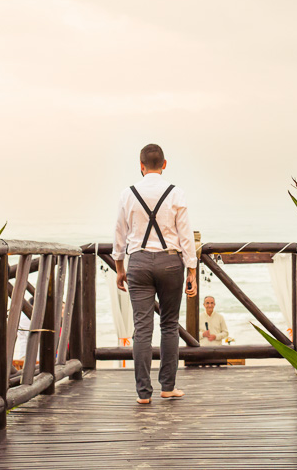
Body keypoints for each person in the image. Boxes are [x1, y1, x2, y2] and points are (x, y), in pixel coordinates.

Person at [113, 144, 198, 404]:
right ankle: (168, 387)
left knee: (142, 329)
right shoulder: (176, 193)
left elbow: (119, 234)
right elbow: (185, 235)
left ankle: (143, 394)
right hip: (171, 263)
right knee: (169, 325)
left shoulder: (128, 194)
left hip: (138, 263)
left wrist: (119, 267)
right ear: (164, 164)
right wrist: (192, 270)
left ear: (141, 165)